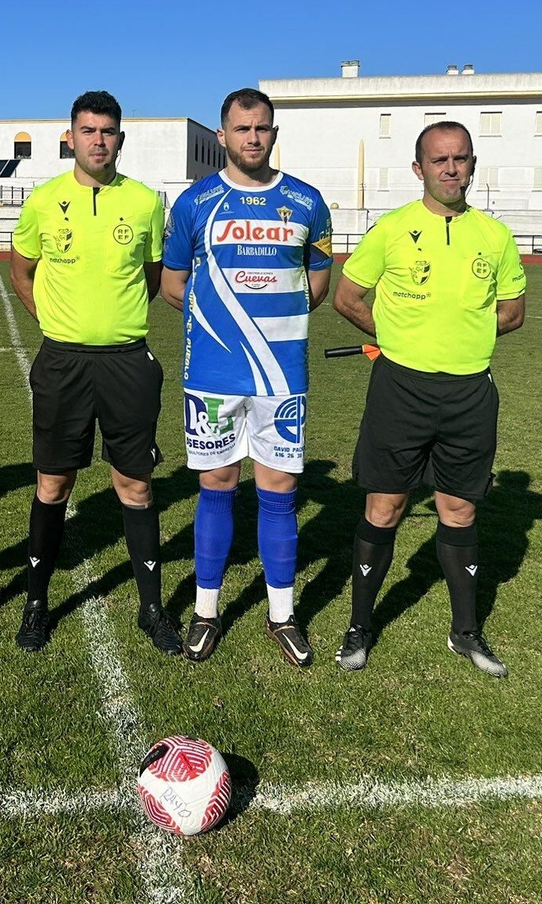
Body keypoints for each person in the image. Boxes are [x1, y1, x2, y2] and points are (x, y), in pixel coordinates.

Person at [331, 120, 526, 678]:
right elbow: (347, 298)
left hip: (469, 391)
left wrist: (466, 332)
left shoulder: (494, 235)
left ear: (472, 165)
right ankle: (360, 626)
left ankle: (465, 633)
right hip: (401, 388)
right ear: (419, 169)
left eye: (460, 159)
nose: (450, 168)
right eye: (439, 160)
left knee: (459, 508)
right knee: (385, 506)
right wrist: (396, 337)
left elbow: (513, 310)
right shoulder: (391, 229)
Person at [160, 88, 333, 668]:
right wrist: (224, 327)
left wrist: (269, 324)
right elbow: (172, 285)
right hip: (211, 371)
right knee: (216, 485)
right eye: (242, 129)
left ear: (273, 133)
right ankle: (206, 610)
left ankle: (282, 614)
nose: (252, 138)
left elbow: (317, 284)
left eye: (262, 128)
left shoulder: (307, 202)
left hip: (283, 375)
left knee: (279, 490)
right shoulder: (195, 202)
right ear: (223, 135)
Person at [9, 91, 179, 656]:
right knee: (53, 483)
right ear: (71, 137)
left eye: (107, 131)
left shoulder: (146, 202)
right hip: (62, 362)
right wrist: (55, 323)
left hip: (128, 362)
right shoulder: (42, 200)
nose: (98, 140)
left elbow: (154, 276)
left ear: (120, 139)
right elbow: (22, 271)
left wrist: (115, 324)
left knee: (134, 484)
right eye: (88, 131)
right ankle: (36, 602)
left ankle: (151, 608)